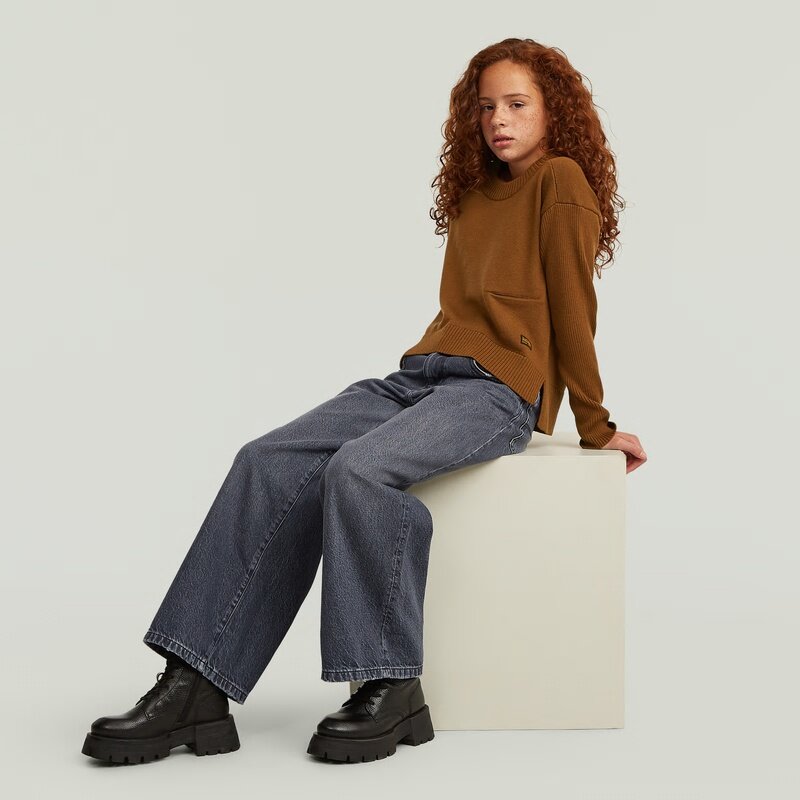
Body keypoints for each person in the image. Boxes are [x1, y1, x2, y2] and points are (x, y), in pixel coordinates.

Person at [81, 37, 647, 767]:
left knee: (360, 470)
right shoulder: (475, 192)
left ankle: (390, 682)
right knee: (267, 459)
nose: (498, 121)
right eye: (486, 108)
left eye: (517, 104)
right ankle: (195, 685)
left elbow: (573, 308)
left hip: (497, 391)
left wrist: (596, 424)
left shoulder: (560, 181)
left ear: (554, 110)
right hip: (423, 376)